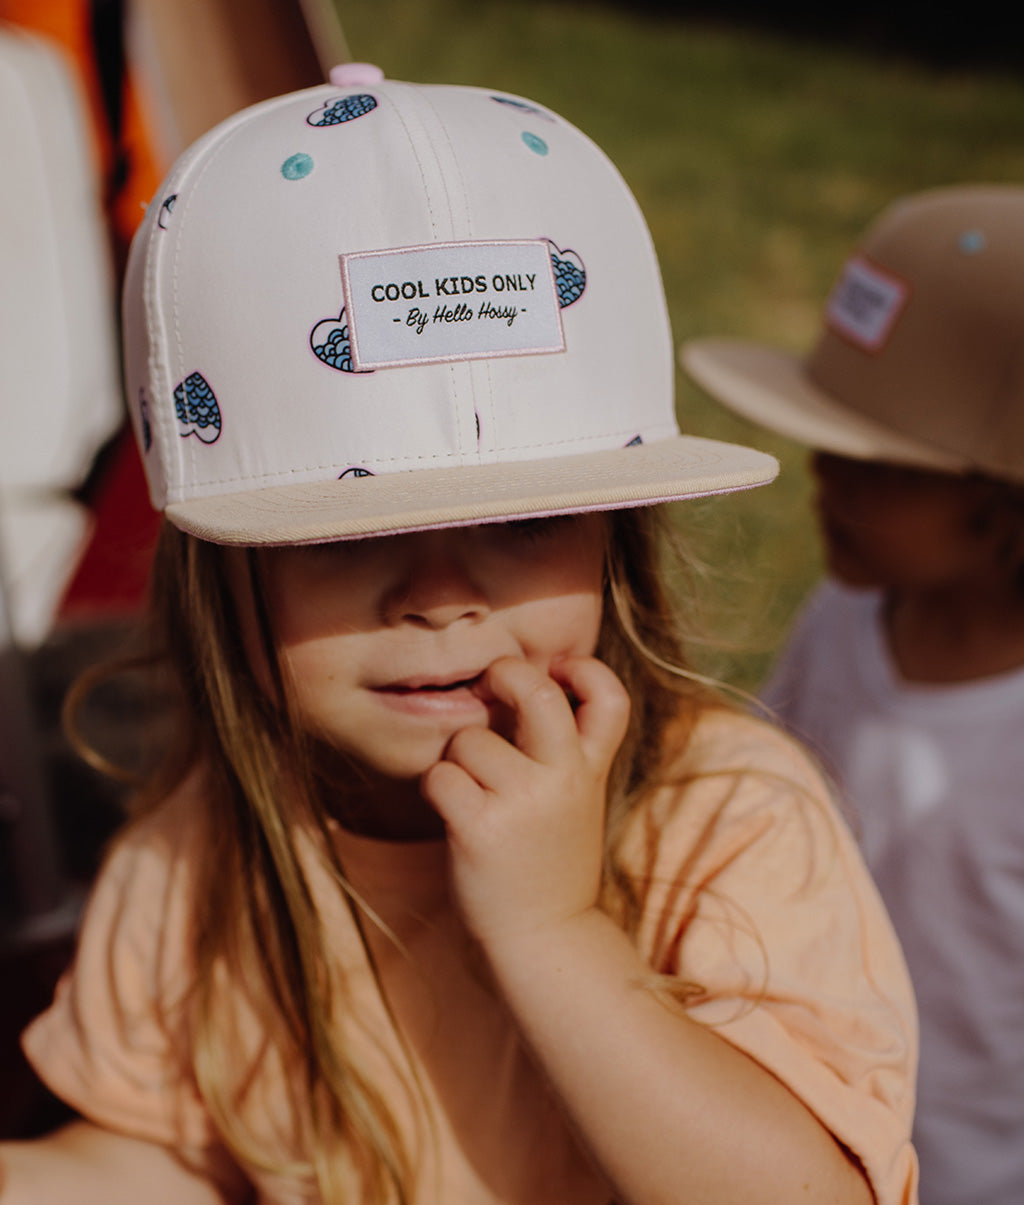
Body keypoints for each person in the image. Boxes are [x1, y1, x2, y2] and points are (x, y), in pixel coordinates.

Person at [0, 63, 918, 1205]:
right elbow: (160, 1158)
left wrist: (551, 926)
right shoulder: (202, 845)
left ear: (614, 540)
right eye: (338, 531)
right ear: (220, 573)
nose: (440, 594)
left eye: (526, 520)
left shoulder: (726, 816)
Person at [681, 184, 1024, 1205]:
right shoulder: (841, 613)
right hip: (808, 1130)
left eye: (875, 467)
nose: (823, 481)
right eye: (826, 449)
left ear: (1003, 495)